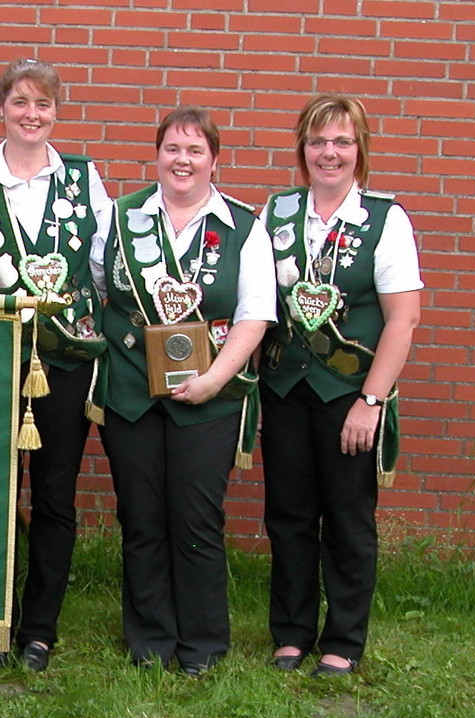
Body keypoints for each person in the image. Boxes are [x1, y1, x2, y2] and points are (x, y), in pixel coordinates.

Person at [91, 107, 276, 675]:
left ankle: (201, 644)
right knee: (141, 516)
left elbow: (255, 314)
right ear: (158, 155)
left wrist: (216, 377)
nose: (182, 160)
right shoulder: (121, 219)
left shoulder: (245, 225)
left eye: (195, 150)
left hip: (211, 395)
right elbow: (100, 289)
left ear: (214, 160)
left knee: (196, 519)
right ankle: (149, 641)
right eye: (172, 148)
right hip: (131, 392)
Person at [0, 58, 112, 672]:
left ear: (56, 112)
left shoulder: (85, 179)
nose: (31, 114)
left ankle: (39, 628)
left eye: (43, 104)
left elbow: (100, 267)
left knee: (55, 494)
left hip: (64, 361)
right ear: (0, 109)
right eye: (19, 102)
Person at [259, 95, 422, 677]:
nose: (330, 153)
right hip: (282, 392)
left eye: (342, 142)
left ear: (360, 150)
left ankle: (344, 640)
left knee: (349, 518)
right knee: (289, 515)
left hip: (350, 396)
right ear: (303, 149)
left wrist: (371, 402)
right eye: (318, 141)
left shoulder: (384, 218)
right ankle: (292, 633)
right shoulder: (276, 214)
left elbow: (402, 320)